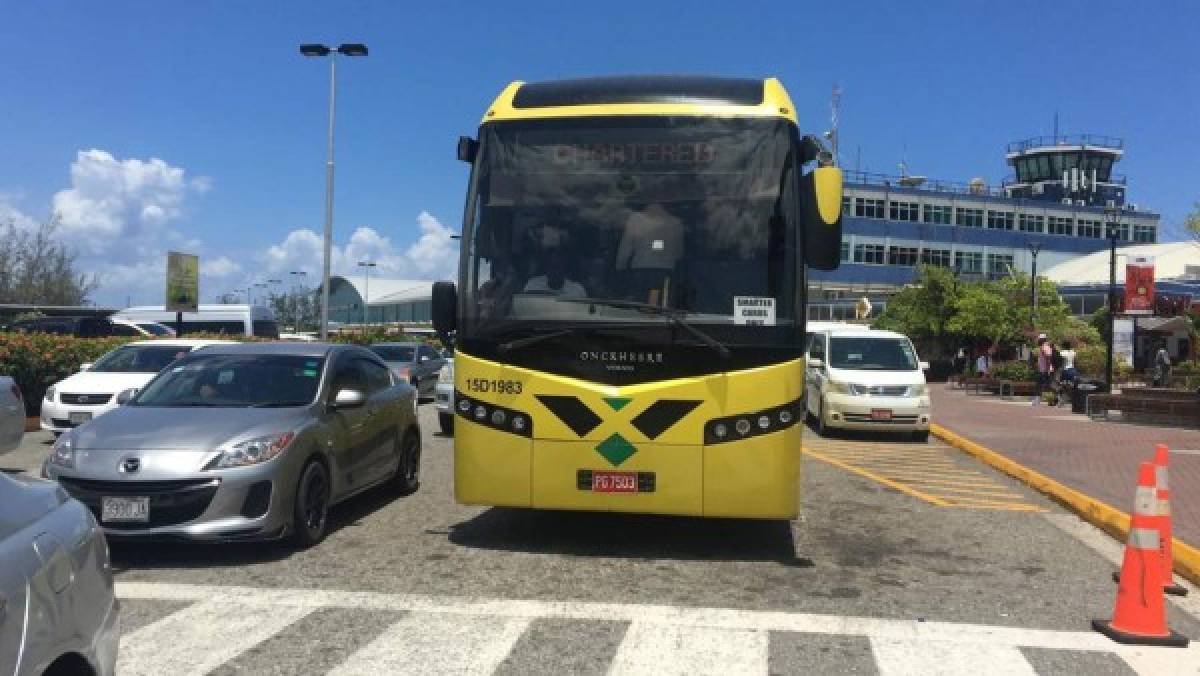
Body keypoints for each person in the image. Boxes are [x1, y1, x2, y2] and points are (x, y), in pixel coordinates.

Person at [616, 203, 683, 305]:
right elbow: (678, 253)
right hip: (665, 270)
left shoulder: (635, 219)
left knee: (640, 302)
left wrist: (620, 266)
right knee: (658, 303)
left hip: (641, 268)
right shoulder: (675, 223)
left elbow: (626, 246)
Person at [1034, 334, 1054, 405]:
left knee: (1042, 385)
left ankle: (1039, 400)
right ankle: (1049, 399)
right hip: (1043, 370)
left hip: (1045, 370)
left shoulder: (1045, 347)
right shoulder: (1044, 347)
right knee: (1044, 385)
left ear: (1042, 340)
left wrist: (1048, 368)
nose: (1038, 341)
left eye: (1039, 339)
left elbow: (1048, 357)